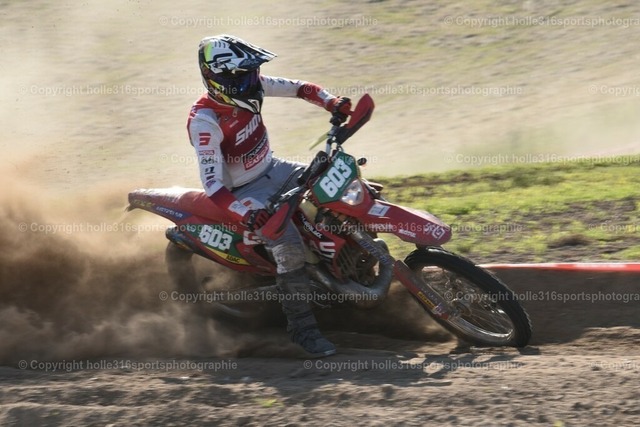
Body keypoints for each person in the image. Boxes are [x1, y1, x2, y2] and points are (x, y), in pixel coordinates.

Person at [186, 34, 351, 357]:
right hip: (243, 192)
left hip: (275, 168)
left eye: (252, 73)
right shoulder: (205, 121)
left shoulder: (251, 85)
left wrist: (331, 102)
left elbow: (300, 88)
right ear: (218, 78)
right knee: (288, 246)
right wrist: (247, 214)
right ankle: (303, 329)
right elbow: (213, 185)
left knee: (335, 183)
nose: (252, 81)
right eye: (242, 76)